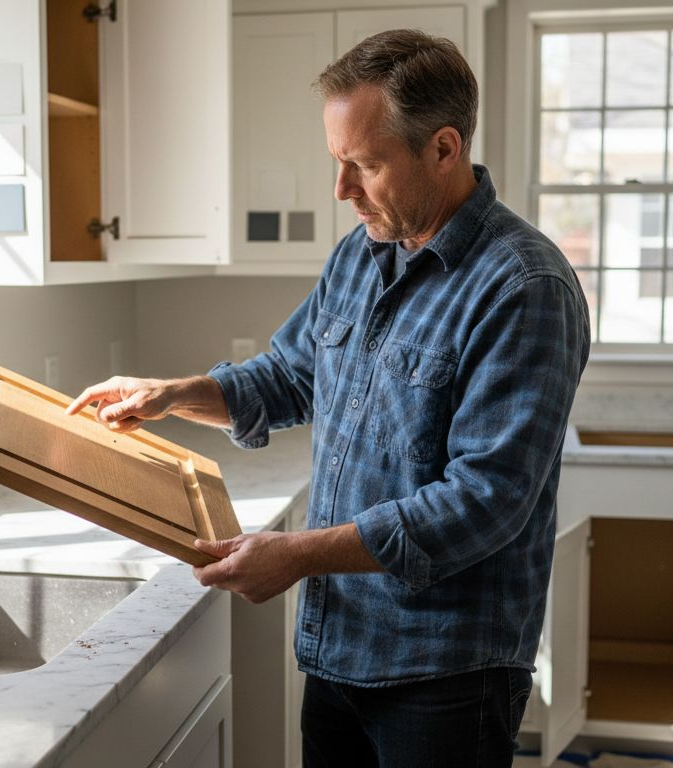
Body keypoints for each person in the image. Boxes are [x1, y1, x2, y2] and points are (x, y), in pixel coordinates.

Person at [66, 29, 590, 768]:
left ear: (444, 148)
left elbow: (486, 500)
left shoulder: (523, 286)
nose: (341, 190)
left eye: (365, 165)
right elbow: (290, 375)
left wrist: (299, 556)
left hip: (447, 669)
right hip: (340, 644)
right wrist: (172, 395)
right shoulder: (359, 254)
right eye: (336, 161)